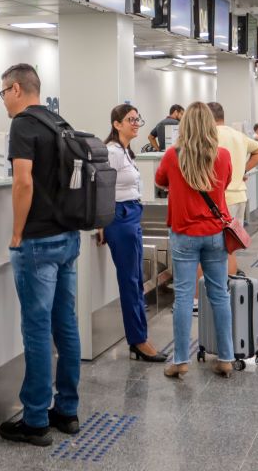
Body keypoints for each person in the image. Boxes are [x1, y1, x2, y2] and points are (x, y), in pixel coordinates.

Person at [0, 63, 80, 446]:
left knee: (36, 329)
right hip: (67, 237)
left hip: (38, 242)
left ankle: (34, 420)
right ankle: (66, 411)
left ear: (16, 89)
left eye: (3, 93)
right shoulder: (58, 121)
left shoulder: (22, 125)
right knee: (66, 325)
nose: (3, 101)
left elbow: (23, 180)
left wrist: (17, 233)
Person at [155, 102, 235, 380]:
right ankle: (226, 357)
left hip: (184, 236)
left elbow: (160, 180)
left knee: (183, 299)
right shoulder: (223, 155)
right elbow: (223, 185)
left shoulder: (172, 155)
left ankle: (180, 361)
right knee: (219, 295)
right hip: (215, 234)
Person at [96, 104, 167, 363]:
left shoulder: (126, 152)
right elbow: (100, 188)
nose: (136, 123)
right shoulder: (112, 152)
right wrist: (101, 222)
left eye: (138, 119)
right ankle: (138, 340)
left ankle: (140, 337)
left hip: (132, 214)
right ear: (116, 124)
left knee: (135, 280)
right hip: (120, 217)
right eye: (130, 119)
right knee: (131, 281)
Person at [207, 102, 258, 271]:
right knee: (230, 248)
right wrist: (242, 171)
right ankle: (230, 287)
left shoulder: (209, 136)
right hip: (240, 197)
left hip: (221, 200)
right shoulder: (237, 135)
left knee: (219, 250)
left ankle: (222, 288)